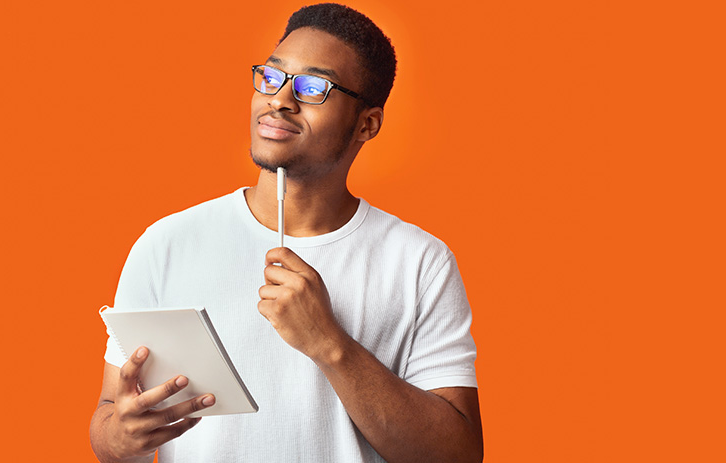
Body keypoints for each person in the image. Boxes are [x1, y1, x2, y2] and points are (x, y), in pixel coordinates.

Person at [89, 3, 482, 462]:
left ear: (367, 124)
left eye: (314, 87)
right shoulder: (165, 244)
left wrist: (329, 343)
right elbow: (108, 418)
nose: (279, 99)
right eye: (272, 77)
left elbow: (457, 456)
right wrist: (120, 436)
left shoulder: (420, 263)